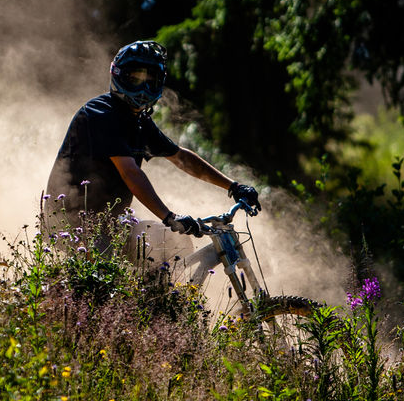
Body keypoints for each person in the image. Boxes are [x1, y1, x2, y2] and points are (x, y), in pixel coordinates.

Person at [45, 40, 261, 253]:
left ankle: (162, 289)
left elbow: (181, 158)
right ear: (119, 75)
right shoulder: (101, 114)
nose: (144, 87)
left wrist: (233, 186)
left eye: (151, 79)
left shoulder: (138, 120)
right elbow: (130, 173)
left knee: (175, 245)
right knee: (111, 274)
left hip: (111, 225)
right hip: (73, 226)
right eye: (135, 78)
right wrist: (169, 217)